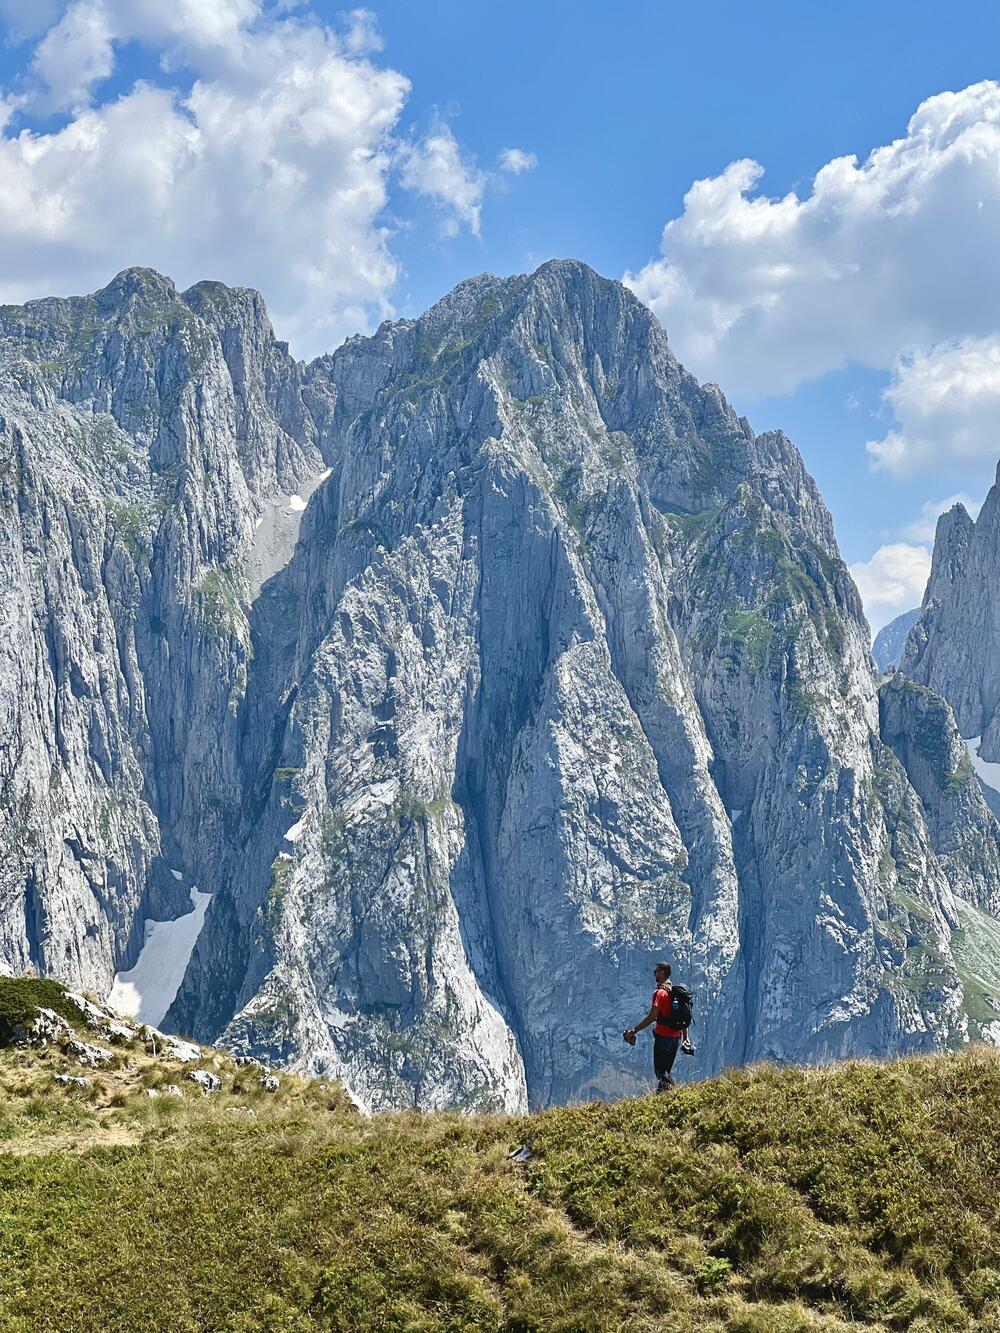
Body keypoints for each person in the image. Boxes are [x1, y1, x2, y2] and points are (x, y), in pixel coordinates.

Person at [623, 961, 690, 1092]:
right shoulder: (676, 992)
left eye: (656, 971)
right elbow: (683, 1017)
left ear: (662, 973)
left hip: (663, 1036)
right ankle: (663, 1098)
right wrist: (685, 1038)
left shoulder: (660, 993)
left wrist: (634, 1030)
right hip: (676, 1037)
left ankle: (678, 1092)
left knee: (660, 1071)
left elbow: (652, 1016)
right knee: (666, 1071)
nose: (654, 974)